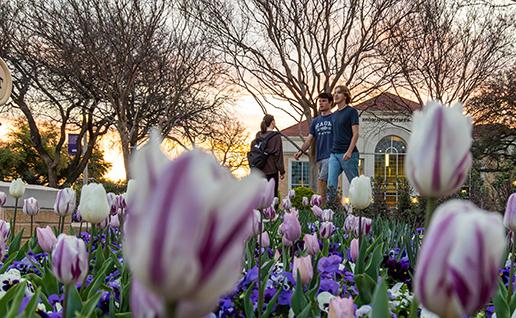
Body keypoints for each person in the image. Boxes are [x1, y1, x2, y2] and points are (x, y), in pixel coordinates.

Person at [294, 92, 334, 205]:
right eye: (319, 101)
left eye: (324, 100)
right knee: (328, 184)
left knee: (321, 181)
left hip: (331, 156)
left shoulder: (335, 118)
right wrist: (301, 151)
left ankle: (322, 208)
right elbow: (309, 139)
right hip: (320, 157)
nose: (321, 103)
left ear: (330, 103)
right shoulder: (315, 121)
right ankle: (332, 208)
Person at [327, 85, 359, 205]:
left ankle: (361, 211)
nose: (335, 95)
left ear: (345, 96)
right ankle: (331, 211)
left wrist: (349, 151)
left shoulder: (351, 112)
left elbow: (355, 134)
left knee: (355, 184)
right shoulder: (333, 115)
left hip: (348, 154)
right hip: (334, 154)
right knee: (331, 184)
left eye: (339, 93)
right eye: (335, 93)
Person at [251, 114, 285, 198]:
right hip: (271, 170)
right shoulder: (276, 136)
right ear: (272, 122)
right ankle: (271, 211)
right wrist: (282, 171)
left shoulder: (258, 135)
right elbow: (278, 154)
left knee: (260, 196)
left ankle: (259, 211)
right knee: (272, 196)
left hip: (259, 170)